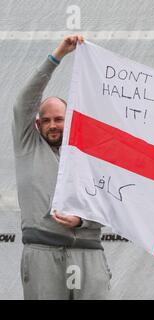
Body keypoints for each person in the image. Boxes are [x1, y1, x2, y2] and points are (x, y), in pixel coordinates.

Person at [12, 35, 111, 299]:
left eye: (59, 119)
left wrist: (81, 220)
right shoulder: (28, 147)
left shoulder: (89, 154)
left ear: (71, 120)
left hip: (87, 251)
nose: (53, 125)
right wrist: (58, 55)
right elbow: (25, 102)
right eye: (46, 120)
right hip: (42, 252)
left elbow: (109, 203)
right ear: (37, 124)